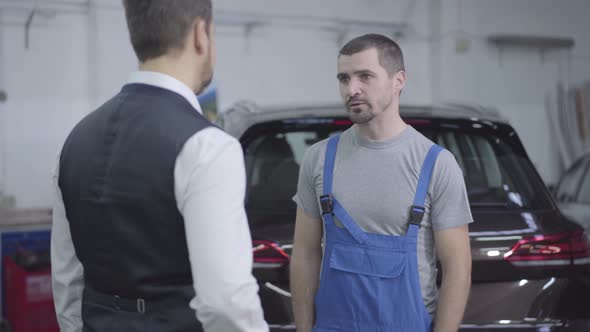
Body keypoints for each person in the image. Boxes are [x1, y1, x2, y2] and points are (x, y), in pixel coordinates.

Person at [50, 1, 268, 331]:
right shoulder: (208, 146)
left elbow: (67, 280)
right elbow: (225, 303)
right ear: (201, 34)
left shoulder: (74, 141)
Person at [290, 33, 472, 332]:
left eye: (365, 76)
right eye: (344, 78)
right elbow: (306, 255)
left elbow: (457, 269)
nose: (352, 89)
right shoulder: (319, 159)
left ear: (398, 80)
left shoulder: (436, 164)